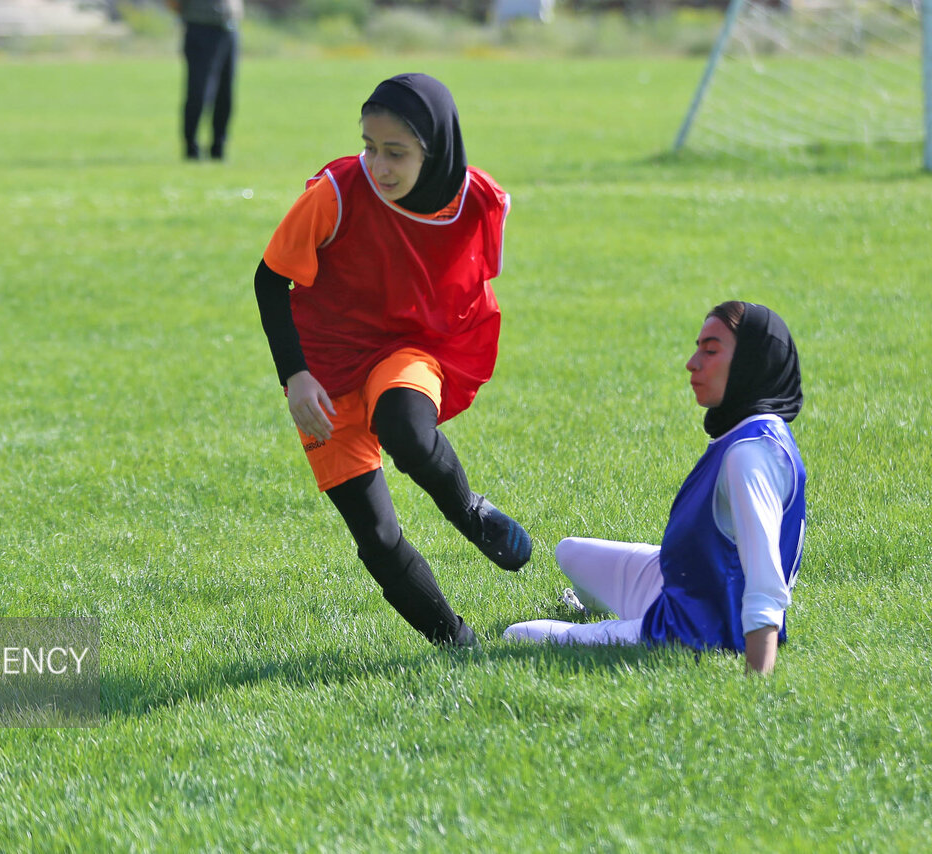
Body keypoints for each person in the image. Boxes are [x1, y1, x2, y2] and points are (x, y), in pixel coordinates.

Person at [253, 73, 533, 649]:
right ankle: (458, 644)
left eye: (396, 152)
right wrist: (296, 377)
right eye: (369, 146)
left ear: (435, 149)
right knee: (376, 537)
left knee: (405, 427)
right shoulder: (334, 192)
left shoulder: (475, 200)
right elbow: (268, 281)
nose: (378, 165)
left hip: (404, 350)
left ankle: (469, 512)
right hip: (324, 374)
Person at [503, 301, 806, 674]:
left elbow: (765, 580)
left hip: (691, 630)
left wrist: (757, 679)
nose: (692, 362)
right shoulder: (755, 431)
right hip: (678, 584)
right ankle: (594, 610)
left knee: (516, 634)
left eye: (710, 351)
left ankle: (616, 627)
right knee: (569, 552)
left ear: (752, 361)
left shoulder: (749, 454)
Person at [168, 0, 241, 160]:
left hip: (229, 27)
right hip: (201, 28)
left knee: (225, 93)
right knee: (199, 92)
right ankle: (191, 148)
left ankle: (218, 148)